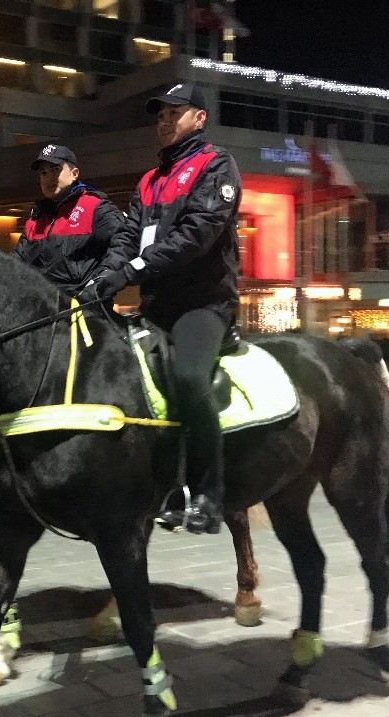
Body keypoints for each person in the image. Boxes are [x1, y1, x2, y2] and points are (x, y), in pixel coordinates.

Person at [79, 82, 242, 535]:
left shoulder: (216, 166)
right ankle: (164, 484)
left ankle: (210, 492)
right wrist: (103, 278)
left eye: (175, 112)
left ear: (199, 118)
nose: (165, 120)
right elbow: (127, 238)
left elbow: (196, 234)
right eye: (160, 115)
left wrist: (131, 269)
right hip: (156, 305)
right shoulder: (150, 181)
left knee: (189, 376)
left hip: (203, 304)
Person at [14, 144, 126, 298]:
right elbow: (14, 264)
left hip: (84, 309)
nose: (49, 178)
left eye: (55, 170)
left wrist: (102, 279)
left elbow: (125, 242)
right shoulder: (35, 220)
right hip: (40, 311)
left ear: (74, 174)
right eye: (43, 173)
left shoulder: (94, 206)